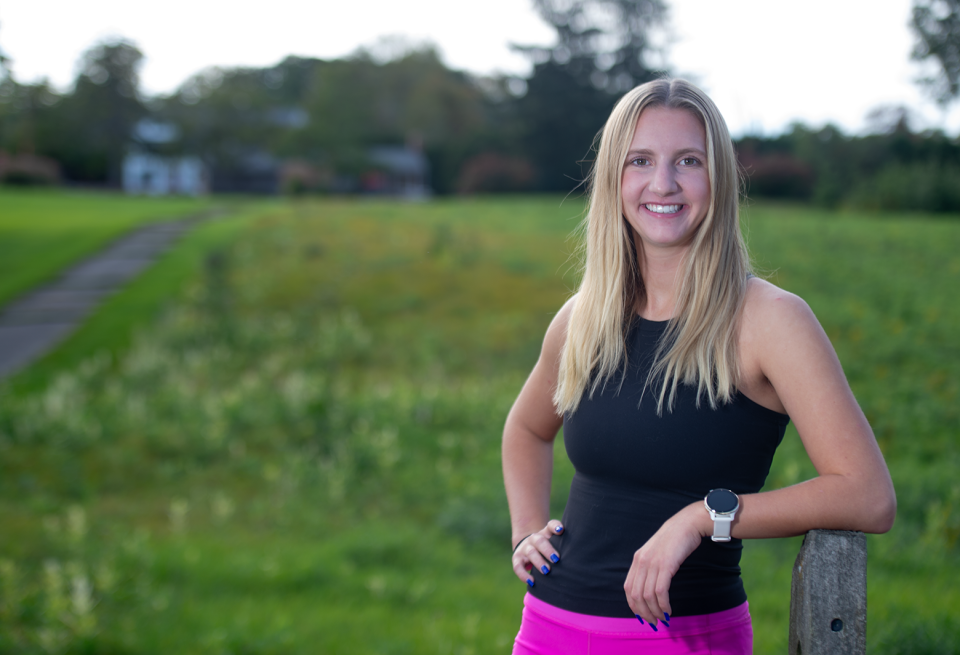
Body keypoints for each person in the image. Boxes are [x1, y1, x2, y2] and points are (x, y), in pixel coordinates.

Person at [501, 78, 896, 655]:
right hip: (549, 630)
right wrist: (524, 531)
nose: (663, 183)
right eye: (640, 161)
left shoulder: (771, 321)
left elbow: (868, 495)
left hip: (683, 638)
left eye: (689, 160)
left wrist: (702, 518)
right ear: (614, 178)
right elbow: (527, 429)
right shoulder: (583, 316)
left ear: (720, 179)